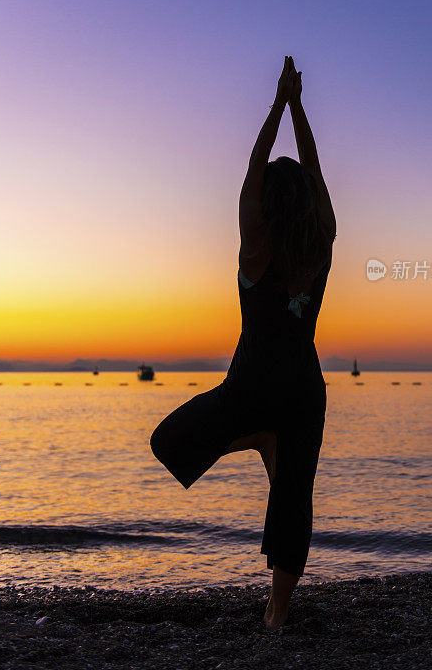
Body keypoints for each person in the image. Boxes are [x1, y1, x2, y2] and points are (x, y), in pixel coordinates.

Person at [150, 56, 336, 630]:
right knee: (293, 500)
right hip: (304, 392)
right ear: (307, 206)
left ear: (264, 208)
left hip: (252, 388)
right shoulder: (321, 247)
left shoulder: (255, 252)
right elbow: (315, 173)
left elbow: (253, 174)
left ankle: (256, 435)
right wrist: (299, 108)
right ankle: (277, 614)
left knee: (168, 441)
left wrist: (278, 103)